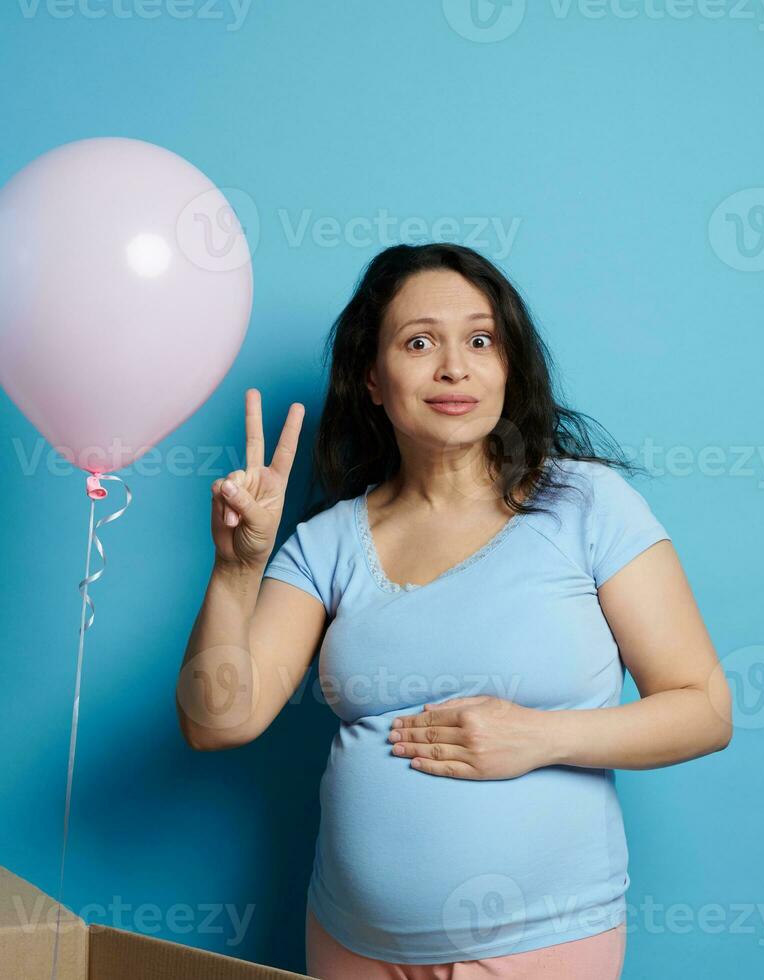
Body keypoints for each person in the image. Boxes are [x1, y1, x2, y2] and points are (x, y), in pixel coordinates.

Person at [174, 243, 733, 979]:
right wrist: (237, 570)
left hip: (542, 940)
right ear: (372, 379)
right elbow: (218, 721)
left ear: (508, 366)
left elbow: (705, 711)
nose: (454, 367)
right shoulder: (329, 543)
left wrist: (536, 736)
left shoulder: (589, 506)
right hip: (350, 943)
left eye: (480, 340)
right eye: (418, 342)